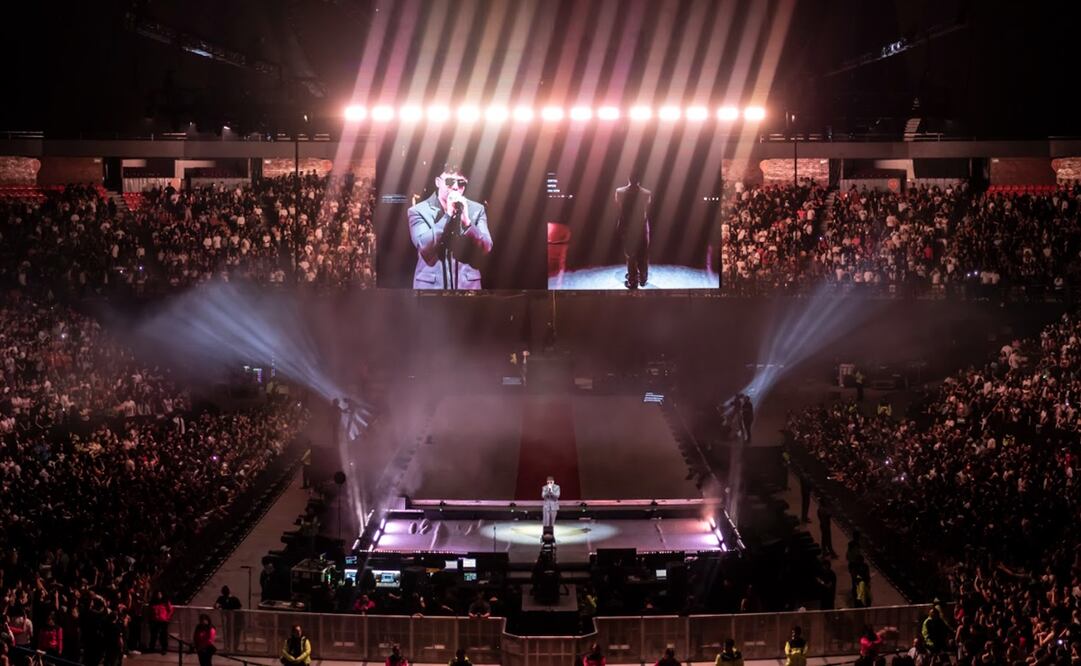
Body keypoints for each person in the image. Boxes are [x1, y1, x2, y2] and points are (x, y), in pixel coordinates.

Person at [407, 166, 493, 290]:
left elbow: (487, 247)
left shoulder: (476, 210)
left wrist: (468, 223)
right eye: (449, 182)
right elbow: (423, 246)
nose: (455, 187)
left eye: (461, 183)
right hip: (430, 287)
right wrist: (447, 215)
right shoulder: (418, 211)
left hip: (468, 286)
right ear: (438, 182)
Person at [614, 173, 653, 289]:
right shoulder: (646, 193)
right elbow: (647, 206)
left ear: (628, 178)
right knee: (644, 253)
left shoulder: (619, 191)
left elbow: (619, 206)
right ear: (640, 180)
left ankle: (633, 280)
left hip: (627, 225)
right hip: (641, 225)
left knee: (630, 254)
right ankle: (643, 278)